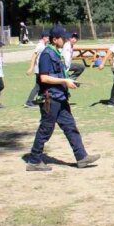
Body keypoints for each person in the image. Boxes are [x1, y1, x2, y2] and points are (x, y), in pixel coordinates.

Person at [27, 26, 100, 171]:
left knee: (70, 127)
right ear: (55, 39)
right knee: (46, 129)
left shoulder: (56, 52)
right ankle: (34, 161)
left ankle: (82, 157)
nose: (66, 40)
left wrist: (69, 82)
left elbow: (60, 75)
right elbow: (44, 77)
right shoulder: (47, 54)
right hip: (50, 98)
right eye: (63, 38)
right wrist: (64, 82)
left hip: (60, 97)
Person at [24, 30, 50, 108]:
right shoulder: (40, 46)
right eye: (48, 37)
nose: (49, 39)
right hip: (39, 70)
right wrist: (31, 68)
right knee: (38, 86)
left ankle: (40, 98)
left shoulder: (43, 45)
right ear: (44, 38)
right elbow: (34, 56)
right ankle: (28, 102)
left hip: (42, 69)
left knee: (42, 85)